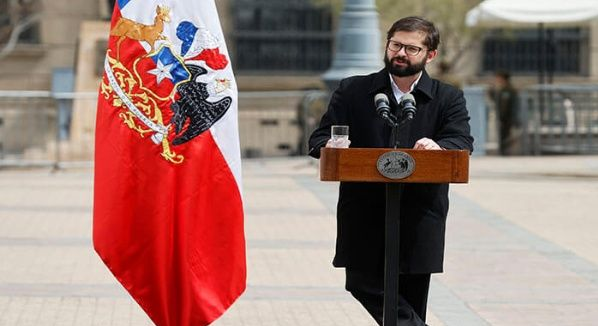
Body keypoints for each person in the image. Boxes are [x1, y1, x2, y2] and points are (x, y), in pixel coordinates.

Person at [308, 16, 474, 326]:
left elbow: (461, 140)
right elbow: (319, 138)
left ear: (430, 55)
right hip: (364, 211)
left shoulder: (447, 97)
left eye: (412, 48)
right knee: (361, 281)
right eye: (396, 45)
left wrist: (439, 146)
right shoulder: (354, 90)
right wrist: (333, 145)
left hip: (419, 213)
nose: (401, 53)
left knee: (410, 298)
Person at [488, 70, 519, 155]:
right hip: (501, 116)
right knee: (502, 135)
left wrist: (514, 118)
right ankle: (502, 152)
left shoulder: (510, 90)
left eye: (499, 78)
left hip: (508, 117)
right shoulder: (499, 89)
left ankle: (506, 152)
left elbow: (514, 105)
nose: (497, 80)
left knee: (507, 135)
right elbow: (492, 96)